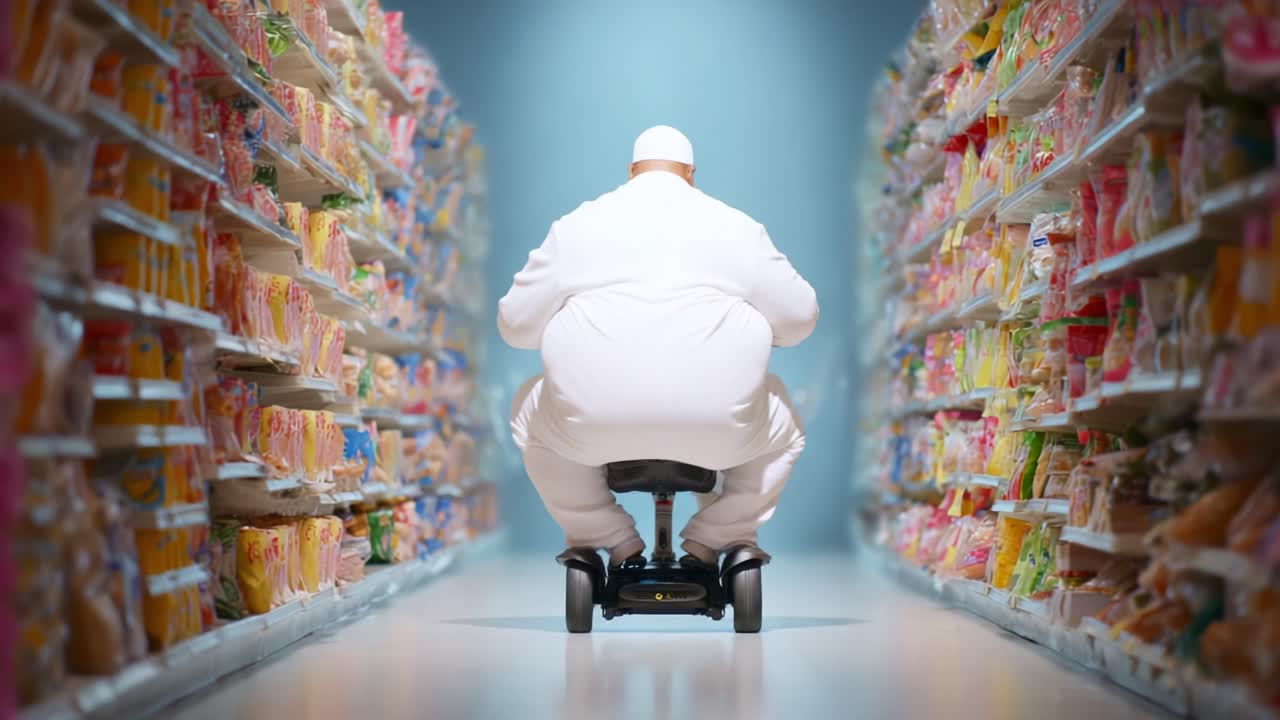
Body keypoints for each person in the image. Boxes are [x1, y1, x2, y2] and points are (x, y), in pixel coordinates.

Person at [498, 125, 818, 570]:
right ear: (691, 174)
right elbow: (800, 318)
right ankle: (716, 537)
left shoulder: (575, 227)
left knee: (526, 410)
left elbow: (515, 326)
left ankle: (606, 535)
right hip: (720, 429)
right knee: (785, 422)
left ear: (631, 171)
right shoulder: (737, 228)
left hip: (590, 427)